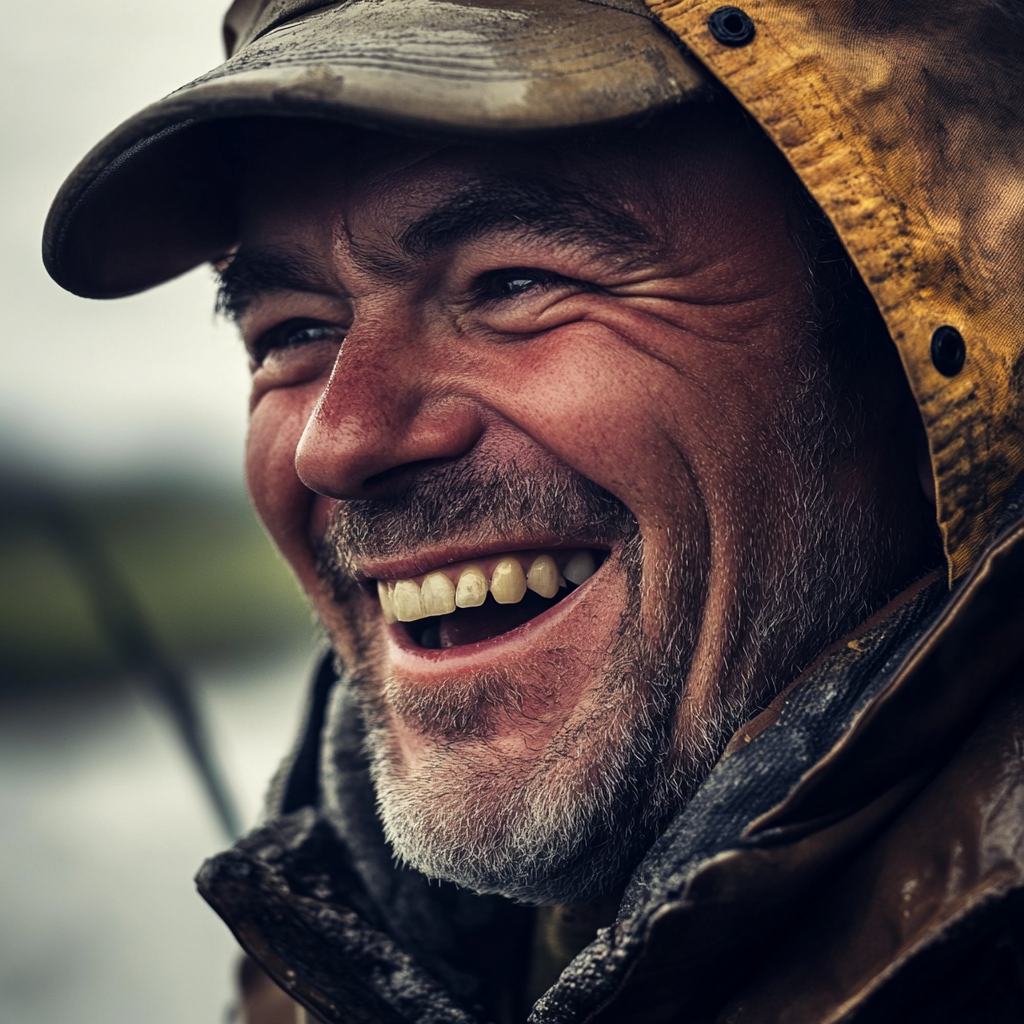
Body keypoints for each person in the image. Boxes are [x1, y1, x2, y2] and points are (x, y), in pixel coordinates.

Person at [43, 1, 1024, 1021]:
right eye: (290, 329)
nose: (337, 443)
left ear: (931, 354)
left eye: (512, 282)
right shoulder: (325, 941)